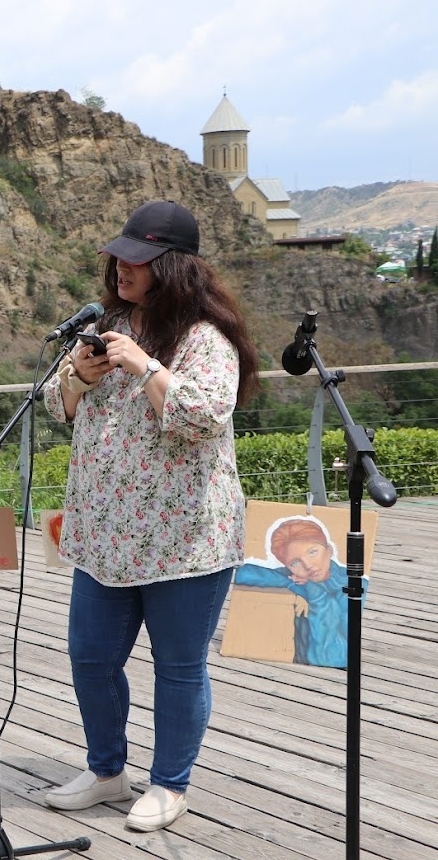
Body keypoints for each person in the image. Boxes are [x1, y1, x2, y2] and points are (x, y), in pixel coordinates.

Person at [40, 200, 260, 831]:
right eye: (118, 259)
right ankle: (108, 772)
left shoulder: (203, 339)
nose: (120, 271)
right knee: (90, 656)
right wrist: (79, 376)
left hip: (184, 538)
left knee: (178, 665)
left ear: (173, 267)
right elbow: (58, 405)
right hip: (106, 537)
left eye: (136, 261)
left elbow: (203, 419)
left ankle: (170, 784)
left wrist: (149, 366)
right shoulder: (105, 325)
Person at [234, 516, 359, 668]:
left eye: (312, 552)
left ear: (329, 550)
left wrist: (315, 593)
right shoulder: (296, 578)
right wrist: (293, 584)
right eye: (295, 562)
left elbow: (331, 658)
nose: (307, 565)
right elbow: (243, 573)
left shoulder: (352, 585)